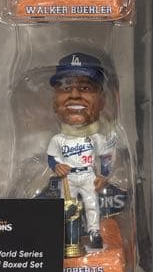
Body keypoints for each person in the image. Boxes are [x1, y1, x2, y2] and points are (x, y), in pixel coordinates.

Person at [47, 52, 117, 251]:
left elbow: (105, 156)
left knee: (92, 204)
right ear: (54, 102)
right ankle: (64, 237)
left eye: (85, 88)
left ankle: (94, 233)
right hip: (68, 177)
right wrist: (56, 166)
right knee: (64, 207)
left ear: (102, 100)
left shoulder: (98, 138)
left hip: (88, 175)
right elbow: (51, 158)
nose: (75, 95)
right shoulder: (58, 139)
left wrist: (103, 175)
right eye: (66, 88)